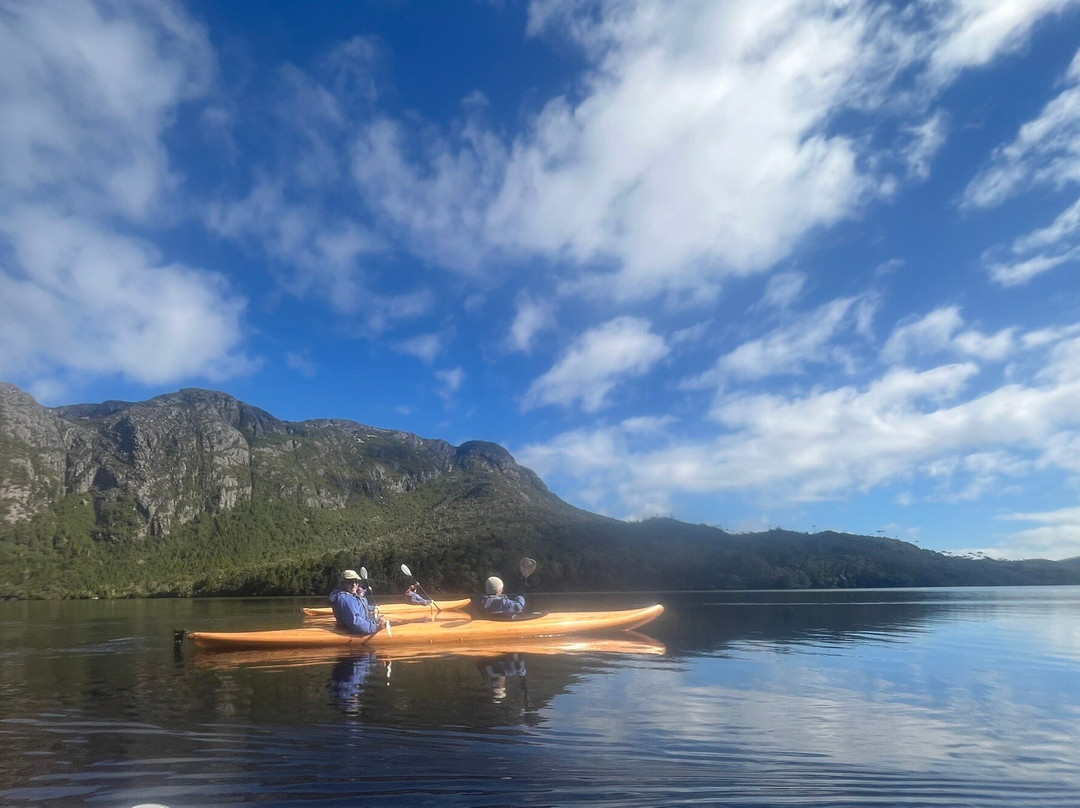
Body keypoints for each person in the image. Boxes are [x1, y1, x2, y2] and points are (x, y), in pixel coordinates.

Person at [329, 569, 386, 635]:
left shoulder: (353, 595)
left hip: (363, 628)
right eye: (350, 582)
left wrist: (376, 618)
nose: (354, 585)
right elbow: (355, 622)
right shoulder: (345, 599)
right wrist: (376, 626)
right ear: (343, 583)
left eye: (356, 582)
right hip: (354, 634)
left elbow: (361, 609)